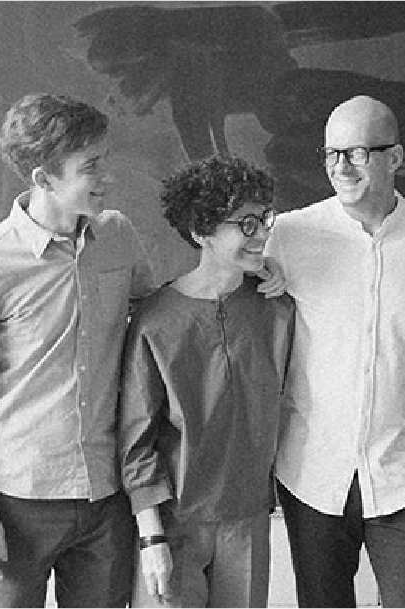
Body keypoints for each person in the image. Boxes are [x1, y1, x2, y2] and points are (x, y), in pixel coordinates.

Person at [0, 93, 153, 608]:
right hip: (17, 502)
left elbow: (157, 320)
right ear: (43, 178)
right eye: (90, 167)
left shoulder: (119, 236)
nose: (107, 177)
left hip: (107, 496)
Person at [265, 95, 405, 609]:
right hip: (311, 471)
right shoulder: (287, 237)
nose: (341, 167)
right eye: (331, 154)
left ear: (394, 157)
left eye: (357, 153)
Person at [118, 155, 294, 608]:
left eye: (265, 219)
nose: (262, 234)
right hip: (174, 523)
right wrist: (151, 539)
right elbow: (136, 441)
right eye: (246, 224)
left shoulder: (275, 307)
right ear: (202, 231)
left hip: (248, 518)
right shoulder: (156, 321)